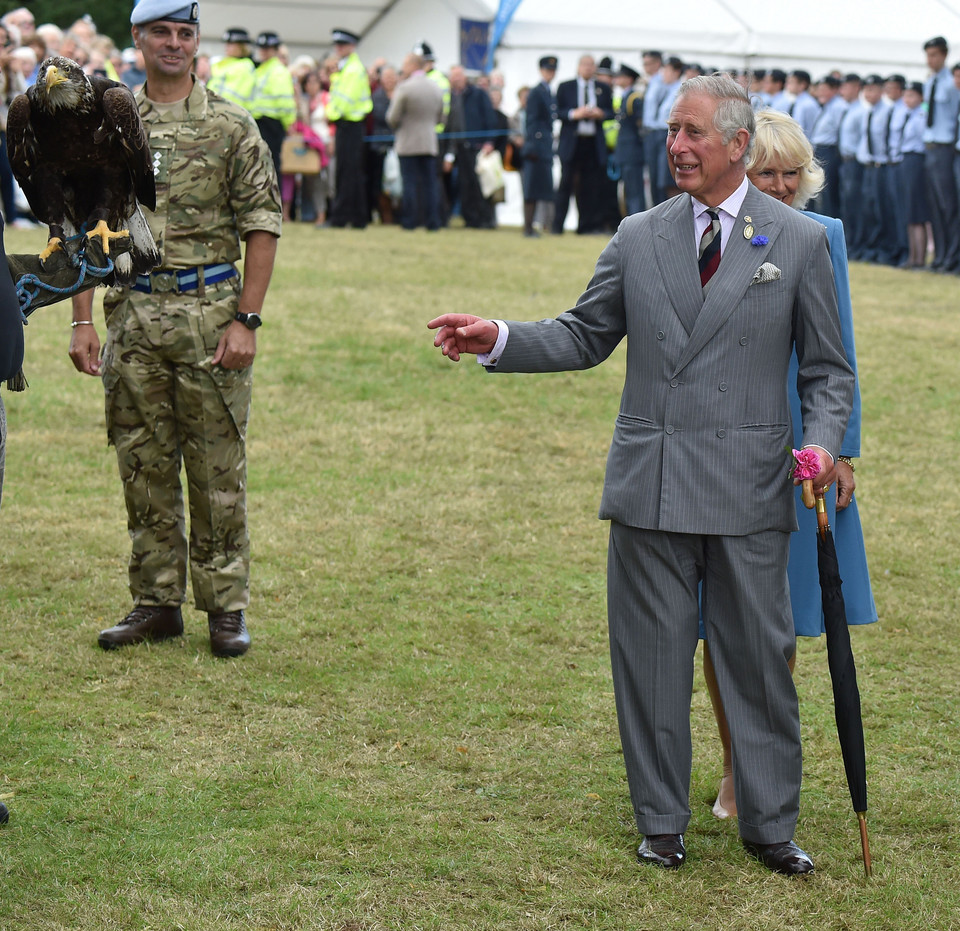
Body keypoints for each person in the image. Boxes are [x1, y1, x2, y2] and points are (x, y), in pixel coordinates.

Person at [428, 73, 854, 876]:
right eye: (671, 132)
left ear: (739, 143)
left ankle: (769, 825)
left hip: (751, 486)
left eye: (694, 133)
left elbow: (828, 373)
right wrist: (499, 337)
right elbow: (584, 334)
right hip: (651, 482)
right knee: (651, 661)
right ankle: (661, 822)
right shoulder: (638, 234)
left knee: (759, 664)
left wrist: (825, 445)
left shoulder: (796, 240)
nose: (678, 147)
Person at [68, 0, 282, 659]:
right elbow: (82, 229)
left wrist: (247, 319)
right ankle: (156, 600)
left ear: (195, 43)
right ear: (137, 38)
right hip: (132, 316)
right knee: (142, 459)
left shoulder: (230, 124)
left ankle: (225, 607)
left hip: (208, 317)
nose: (173, 42)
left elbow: (262, 225)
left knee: (216, 465)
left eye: (184, 32)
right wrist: (80, 320)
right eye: (161, 30)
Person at [704, 107, 876, 821]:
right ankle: (732, 762)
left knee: (777, 617)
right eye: (765, 171)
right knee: (721, 619)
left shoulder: (824, 235)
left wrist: (840, 450)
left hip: (801, 447)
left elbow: (838, 356)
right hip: (715, 445)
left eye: (791, 172)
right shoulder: (704, 227)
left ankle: (756, 763)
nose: (779, 184)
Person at [552, 54, 614, 234]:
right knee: (565, 184)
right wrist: (574, 114)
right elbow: (558, 112)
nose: (588, 68)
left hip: (593, 143)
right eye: (585, 64)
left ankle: (587, 226)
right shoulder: (566, 87)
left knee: (590, 187)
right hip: (572, 142)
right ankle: (557, 226)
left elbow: (610, 112)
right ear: (578, 67)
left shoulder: (603, 88)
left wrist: (600, 114)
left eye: (591, 65)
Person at [386, 52, 444, 231]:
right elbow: (441, 117)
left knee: (409, 183)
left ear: (412, 65)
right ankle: (432, 221)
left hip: (408, 142)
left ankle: (410, 221)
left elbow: (392, 117)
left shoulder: (405, 88)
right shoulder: (435, 87)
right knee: (430, 184)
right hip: (429, 142)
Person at [326, 28, 372, 229]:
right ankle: (358, 217)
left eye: (342, 45)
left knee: (347, 172)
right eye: (337, 45)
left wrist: (330, 114)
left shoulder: (352, 69)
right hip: (348, 125)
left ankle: (341, 217)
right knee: (350, 171)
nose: (338, 48)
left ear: (351, 47)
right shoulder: (347, 68)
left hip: (349, 124)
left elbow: (343, 102)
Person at [922, 36, 960, 273]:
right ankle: (940, 255)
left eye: (934, 54)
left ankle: (952, 258)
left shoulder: (952, 84)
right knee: (935, 206)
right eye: (928, 55)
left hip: (946, 148)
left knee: (949, 206)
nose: (930, 60)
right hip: (930, 148)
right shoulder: (930, 82)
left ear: (944, 55)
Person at [444, 65, 497, 229]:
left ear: (465, 78)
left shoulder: (478, 94)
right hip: (458, 147)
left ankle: (485, 219)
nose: (457, 80)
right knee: (464, 184)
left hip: (477, 146)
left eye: (459, 77)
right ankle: (470, 219)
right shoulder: (449, 97)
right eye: (454, 77)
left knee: (480, 184)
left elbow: (490, 119)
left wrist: (489, 142)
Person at [250, 31, 297, 181]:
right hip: (260, 123)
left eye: (267, 48)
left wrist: (288, 122)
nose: (263, 51)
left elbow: (285, 102)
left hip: (272, 124)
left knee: (271, 166)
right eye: (261, 48)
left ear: (275, 50)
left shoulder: (278, 71)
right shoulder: (261, 70)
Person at [521, 55, 557, 237]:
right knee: (531, 189)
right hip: (536, 147)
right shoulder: (537, 92)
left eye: (552, 70)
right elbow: (532, 120)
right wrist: (534, 144)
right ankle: (528, 227)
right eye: (547, 69)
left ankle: (535, 226)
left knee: (540, 188)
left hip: (544, 145)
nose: (550, 73)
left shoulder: (548, 91)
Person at [899, 81, 930, 268]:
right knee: (909, 210)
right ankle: (912, 256)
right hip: (907, 160)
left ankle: (920, 258)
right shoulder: (909, 115)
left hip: (916, 161)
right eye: (906, 95)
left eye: (911, 95)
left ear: (921, 97)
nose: (907, 99)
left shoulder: (922, 116)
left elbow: (923, 142)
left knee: (917, 210)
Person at [613, 64, 645, 216]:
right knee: (628, 190)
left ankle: (637, 223)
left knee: (634, 192)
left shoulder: (634, 98)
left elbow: (640, 126)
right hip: (626, 152)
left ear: (629, 79)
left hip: (632, 152)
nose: (617, 79)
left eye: (621, 76)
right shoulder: (626, 96)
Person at [207, 26, 255, 110]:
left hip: (230, 113)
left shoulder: (245, 66)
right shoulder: (223, 63)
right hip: (215, 110)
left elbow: (234, 96)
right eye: (226, 43)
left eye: (231, 44)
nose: (226, 47)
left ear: (241, 46)